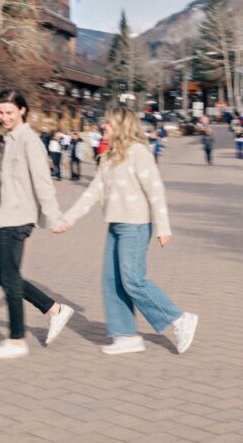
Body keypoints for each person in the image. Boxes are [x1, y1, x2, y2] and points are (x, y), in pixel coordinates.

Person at [52, 106, 198, 355]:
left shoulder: (139, 153)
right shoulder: (109, 156)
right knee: (112, 281)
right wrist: (68, 219)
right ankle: (126, 336)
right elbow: (93, 192)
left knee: (133, 281)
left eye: (108, 123)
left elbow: (156, 190)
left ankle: (179, 319)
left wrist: (163, 227)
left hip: (137, 225)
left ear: (121, 126)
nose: (103, 127)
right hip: (116, 225)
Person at [0, 89, 76, 361]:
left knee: (9, 278)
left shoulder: (29, 140)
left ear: (22, 110)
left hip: (19, 218)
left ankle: (16, 340)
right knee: (5, 276)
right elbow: (3, 182)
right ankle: (54, 310)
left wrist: (54, 216)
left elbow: (42, 182)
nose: (4, 117)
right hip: (6, 217)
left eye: (9, 112)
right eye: (0, 112)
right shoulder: (10, 139)